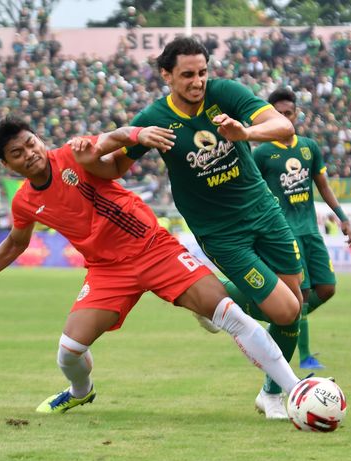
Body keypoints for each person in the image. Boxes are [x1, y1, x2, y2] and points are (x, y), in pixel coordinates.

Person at [0, 115, 305, 414]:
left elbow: (110, 139)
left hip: (154, 249)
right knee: (68, 351)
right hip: (107, 271)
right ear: (7, 164)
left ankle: (297, 392)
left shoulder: (72, 153)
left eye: (31, 144)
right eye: (17, 153)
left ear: (39, 139)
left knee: (230, 315)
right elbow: (15, 243)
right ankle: (80, 390)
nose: (29, 154)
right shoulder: (23, 202)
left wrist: (137, 134)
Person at [110, 37, 307, 420]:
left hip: (263, 211)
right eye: (187, 75)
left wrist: (245, 134)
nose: (198, 81)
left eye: (202, 72)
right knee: (284, 310)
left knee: (295, 306)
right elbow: (113, 166)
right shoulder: (154, 116)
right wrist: (131, 136)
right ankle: (270, 379)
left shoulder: (225, 93)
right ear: (166, 75)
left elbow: (281, 125)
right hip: (222, 233)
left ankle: (267, 390)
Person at [251, 87, 351, 374]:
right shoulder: (262, 153)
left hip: (310, 230)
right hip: (284, 233)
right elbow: (252, 192)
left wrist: (342, 218)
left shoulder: (309, 147)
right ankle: (305, 354)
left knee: (327, 288)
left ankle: (280, 323)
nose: (285, 117)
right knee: (302, 293)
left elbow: (322, 185)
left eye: (288, 113)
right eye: (279, 114)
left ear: (296, 114)